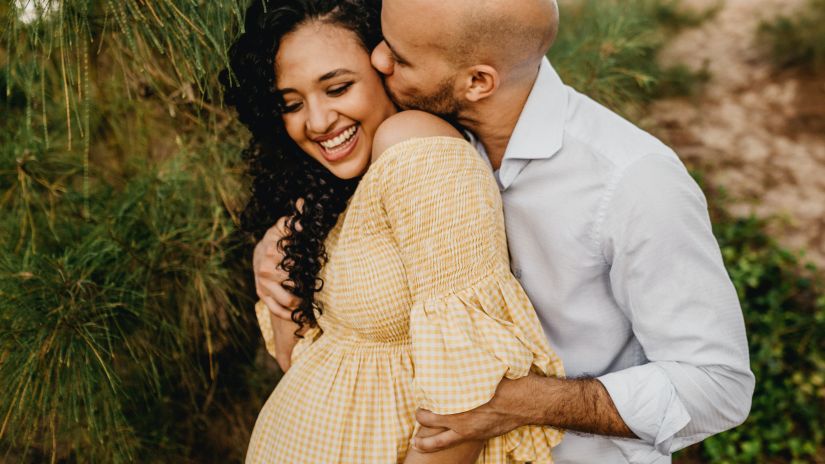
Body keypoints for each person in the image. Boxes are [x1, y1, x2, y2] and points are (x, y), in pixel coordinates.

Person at [254, 0, 756, 462]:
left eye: (401, 58)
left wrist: (523, 401)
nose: (379, 60)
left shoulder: (631, 180)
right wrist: (279, 247)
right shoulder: (416, 135)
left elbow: (717, 387)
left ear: (478, 81)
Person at [223, 0, 565, 462]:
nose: (317, 121)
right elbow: (297, 361)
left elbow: (466, 404)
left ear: (384, 67)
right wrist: (278, 249)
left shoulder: (416, 146)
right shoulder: (333, 189)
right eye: (292, 104)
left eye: (338, 88)